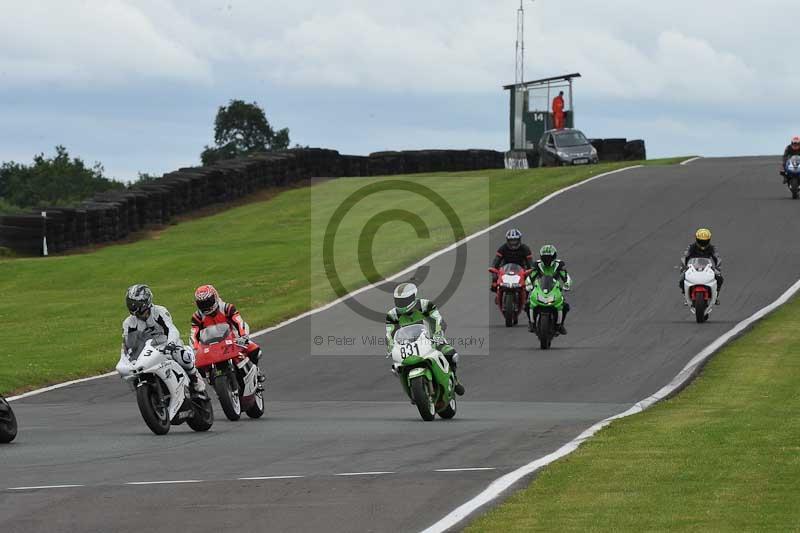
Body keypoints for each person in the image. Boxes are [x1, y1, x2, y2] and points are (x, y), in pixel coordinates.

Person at [122, 284, 206, 395]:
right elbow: (127, 344)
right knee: (133, 373)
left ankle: (194, 377)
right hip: (147, 352)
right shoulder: (128, 323)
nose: (133, 307)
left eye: (136, 304)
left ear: (146, 301)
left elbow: (171, 329)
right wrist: (126, 359)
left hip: (167, 345)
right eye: (131, 304)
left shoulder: (159, 311)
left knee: (181, 355)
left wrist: (171, 344)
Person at [385, 283, 465, 395]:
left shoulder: (425, 305)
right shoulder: (392, 315)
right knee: (397, 367)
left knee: (450, 353)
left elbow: (438, 319)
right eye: (399, 301)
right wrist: (390, 346)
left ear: (413, 297)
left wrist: (438, 334)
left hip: (431, 337)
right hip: (407, 343)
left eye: (404, 301)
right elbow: (390, 333)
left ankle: (455, 380)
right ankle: (411, 391)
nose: (401, 304)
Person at [190, 285, 265, 382]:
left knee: (255, 350)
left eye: (208, 302)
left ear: (215, 297)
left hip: (233, 339)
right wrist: (195, 349)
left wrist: (243, 336)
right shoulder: (197, 316)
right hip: (210, 345)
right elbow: (194, 334)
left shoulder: (227, 308)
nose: (206, 306)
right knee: (200, 366)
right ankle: (212, 380)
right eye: (202, 304)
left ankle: (255, 371)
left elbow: (239, 322)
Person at [526, 244, 572, 334]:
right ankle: (531, 323)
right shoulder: (537, 265)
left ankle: (560, 325)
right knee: (528, 304)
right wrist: (528, 284)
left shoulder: (559, 265)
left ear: (554, 256)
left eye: (549, 257)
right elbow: (530, 277)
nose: (547, 260)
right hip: (540, 288)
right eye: (545, 257)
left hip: (555, 289)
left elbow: (566, 276)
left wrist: (567, 284)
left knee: (565, 306)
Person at [679, 228, 723, 304]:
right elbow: (685, 257)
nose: (703, 243)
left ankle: (716, 296)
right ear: (697, 239)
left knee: (719, 278)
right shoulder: (691, 247)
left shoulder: (712, 248)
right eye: (701, 241)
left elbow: (717, 258)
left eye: (705, 241)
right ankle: (685, 296)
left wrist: (717, 268)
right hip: (693, 266)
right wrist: (684, 267)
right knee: (682, 279)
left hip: (708, 267)